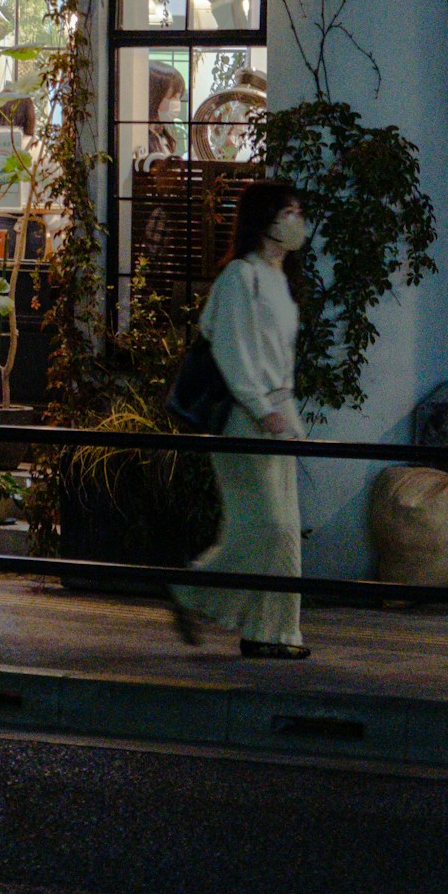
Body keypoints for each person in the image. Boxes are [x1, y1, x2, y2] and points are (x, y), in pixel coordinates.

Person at [171, 176, 311, 660]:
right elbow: (233, 351)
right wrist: (264, 407)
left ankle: (274, 632)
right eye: (289, 212)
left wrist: (282, 411)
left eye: (299, 212)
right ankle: (192, 592)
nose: (298, 221)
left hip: (276, 413)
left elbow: (272, 354)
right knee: (266, 527)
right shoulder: (240, 277)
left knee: (283, 530)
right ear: (265, 220)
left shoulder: (278, 279)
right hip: (245, 415)